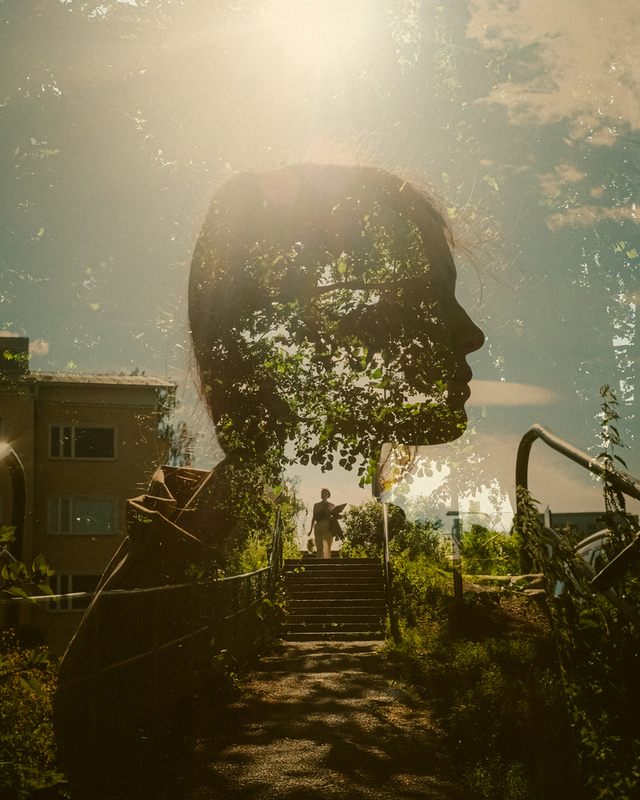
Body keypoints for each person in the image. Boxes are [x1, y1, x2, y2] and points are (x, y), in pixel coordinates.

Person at [54, 162, 484, 798]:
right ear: (312, 333)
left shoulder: (163, 586)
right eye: (426, 299)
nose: (471, 334)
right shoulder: (141, 648)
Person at [310, 488, 336, 558]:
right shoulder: (316, 505)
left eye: (325, 493)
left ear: (328, 495)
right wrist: (311, 529)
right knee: (319, 546)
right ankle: (319, 561)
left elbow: (335, 518)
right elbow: (314, 517)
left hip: (328, 526)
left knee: (328, 546)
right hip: (318, 525)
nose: (323, 494)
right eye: (322, 493)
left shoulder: (332, 505)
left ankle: (327, 561)